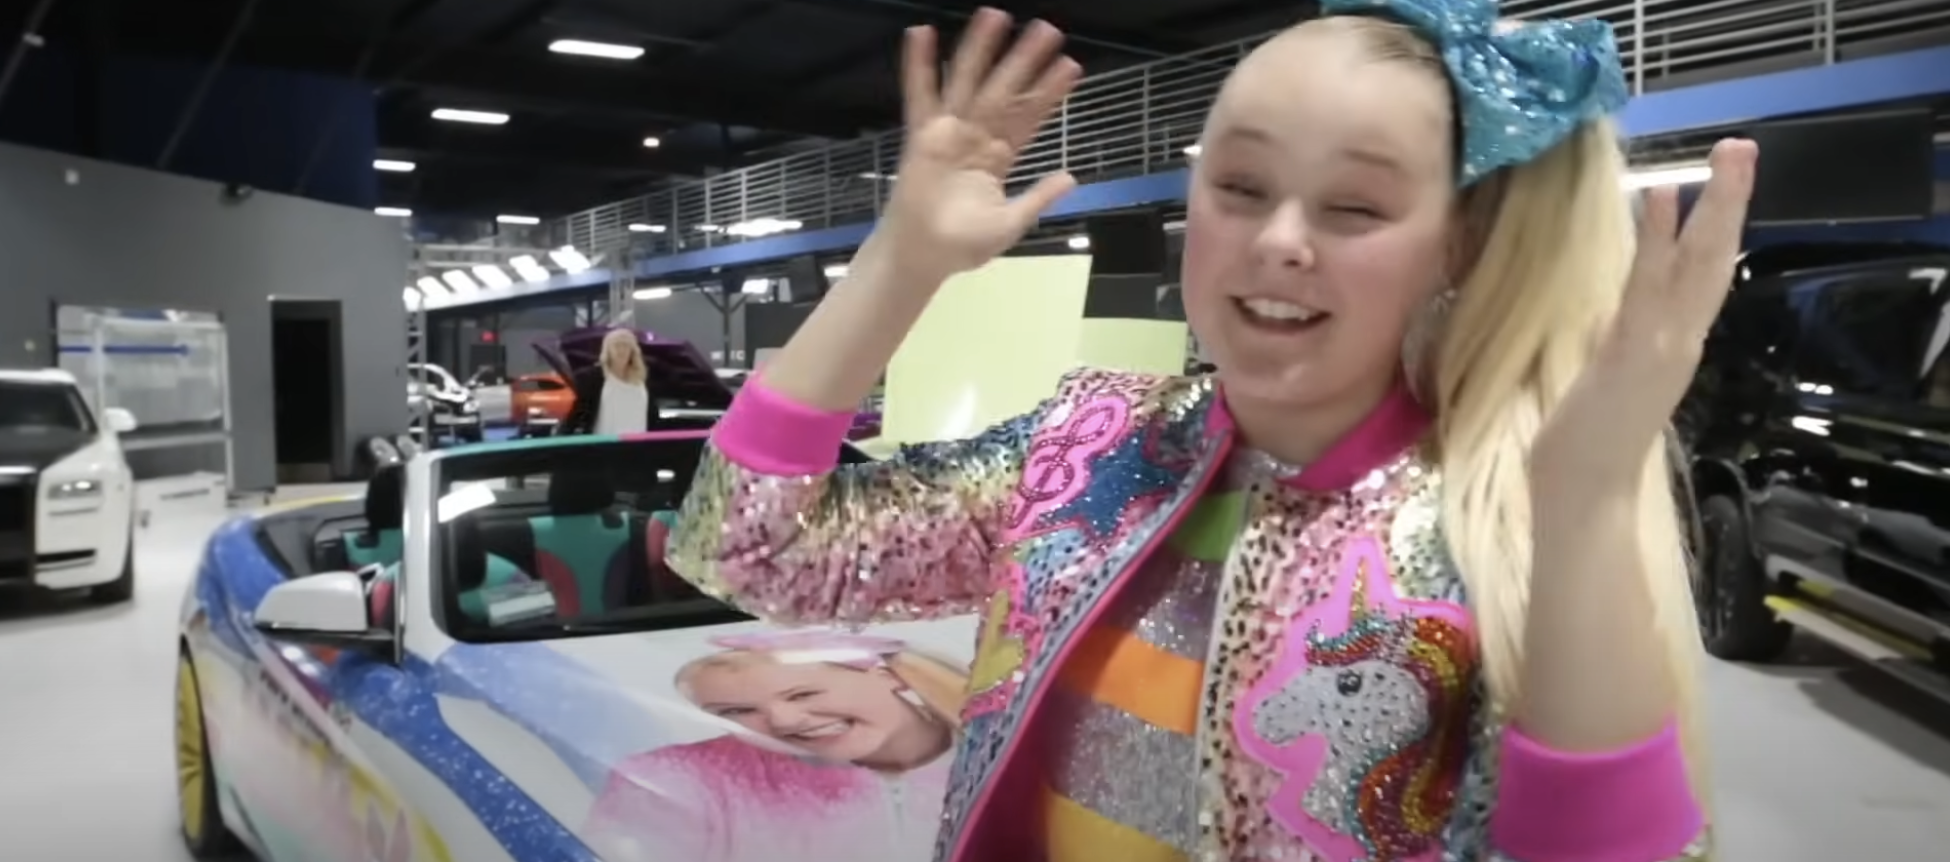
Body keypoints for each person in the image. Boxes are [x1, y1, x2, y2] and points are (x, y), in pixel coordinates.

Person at [666, 1, 1757, 860]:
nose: (1280, 239)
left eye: (1355, 207)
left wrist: (1584, 516)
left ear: (1456, 248)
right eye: (1240, 185)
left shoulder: (1490, 526)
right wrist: (899, 262)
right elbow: (752, 546)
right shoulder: (1086, 443)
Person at [582, 631, 963, 862]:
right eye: (736, 710)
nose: (783, 722)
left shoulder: (1001, 758)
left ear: (888, 678)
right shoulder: (678, 780)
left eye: (803, 693)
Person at [561, 329, 659, 435]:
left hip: (638, 445)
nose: (621, 350)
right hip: (603, 445)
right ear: (607, 350)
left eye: (626, 346)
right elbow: (580, 411)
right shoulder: (594, 376)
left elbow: (653, 416)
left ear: (632, 351)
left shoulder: (643, 378)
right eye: (616, 345)